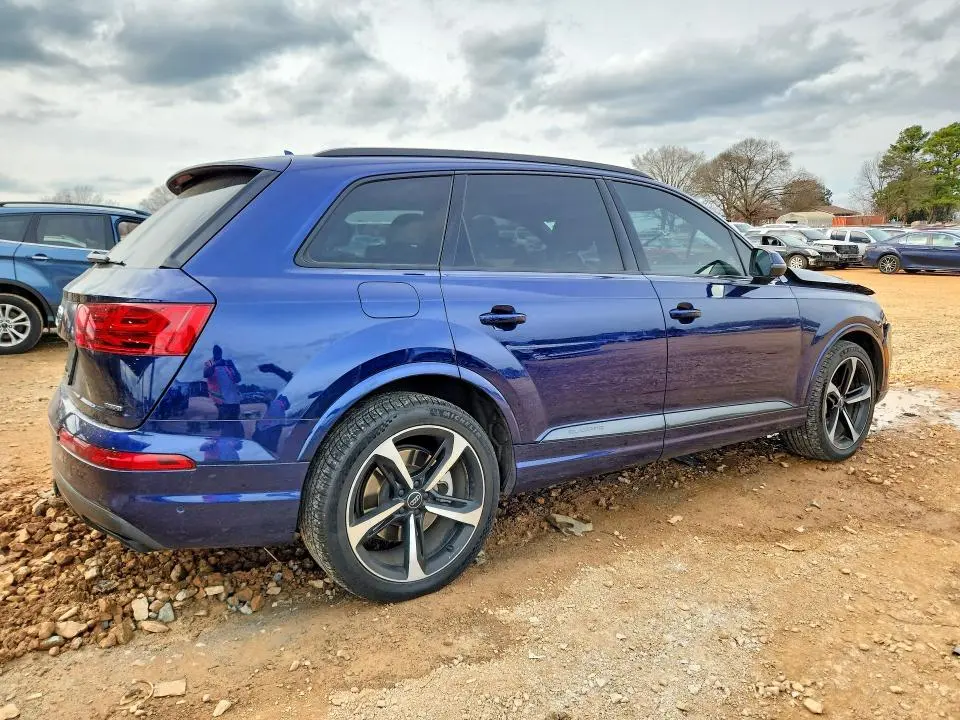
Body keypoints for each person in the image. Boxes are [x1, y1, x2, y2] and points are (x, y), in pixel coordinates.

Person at [203, 345, 243, 437]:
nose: (218, 353)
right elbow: (206, 374)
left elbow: (238, 379)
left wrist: (233, 366)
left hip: (234, 400)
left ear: (221, 352)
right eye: (216, 352)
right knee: (225, 428)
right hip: (221, 401)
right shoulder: (209, 363)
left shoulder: (227, 364)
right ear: (213, 353)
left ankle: (238, 441)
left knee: (236, 425)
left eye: (219, 352)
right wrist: (216, 364)